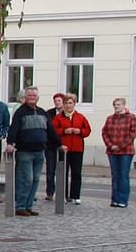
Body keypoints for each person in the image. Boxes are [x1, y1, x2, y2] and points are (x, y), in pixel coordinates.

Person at [7, 86, 59, 216]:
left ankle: (28, 206)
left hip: (40, 151)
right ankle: (20, 206)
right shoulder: (20, 112)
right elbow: (14, 129)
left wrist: (59, 144)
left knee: (36, 179)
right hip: (25, 151)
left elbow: (51, 131)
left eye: (34, 96)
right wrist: (10, 143)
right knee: (27, 179)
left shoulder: (42, 112)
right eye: (29, 96)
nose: (32, 98)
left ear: (38, 98)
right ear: (25, 97)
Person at [51, 94, 91, 205]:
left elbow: (87, 129)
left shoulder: (80, 117)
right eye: (66, 103)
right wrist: (64, 131)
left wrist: (80, 132)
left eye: (70, 103)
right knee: (62, 172)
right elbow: (53, 130)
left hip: (77, 148)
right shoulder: (58, 117)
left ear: (74, 104)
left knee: (76, 172)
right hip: (63, 148)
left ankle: (75, 195)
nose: (68, 106)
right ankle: (62, 194)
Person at [101, 97, 136, 208]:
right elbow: (104, 133)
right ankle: (115, 199)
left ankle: (123, 200)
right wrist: (110, 145)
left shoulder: (131, 117)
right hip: (112, 150)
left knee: (123, 175)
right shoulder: (110, 118)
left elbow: (133, 133)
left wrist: (120, 146)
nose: (116, 107)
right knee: (115, 175)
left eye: (118, 105)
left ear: (123, 105)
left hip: (126, 151)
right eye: (115, 105)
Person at [44, 92, 66, 200]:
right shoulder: (49, 113)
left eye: (59, 101)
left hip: (63, 145)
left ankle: (62, 192)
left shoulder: (67, 113)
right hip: (50, 145)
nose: (57, 103)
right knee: (50, 169)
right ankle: (50, 192)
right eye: (55, 101)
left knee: (62, 169)